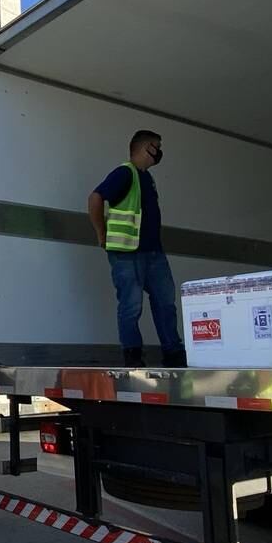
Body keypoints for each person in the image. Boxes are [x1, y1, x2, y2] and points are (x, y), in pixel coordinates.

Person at [87, 129, 187, 368]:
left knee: (165, 303)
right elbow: (95, 198)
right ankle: (132, 356)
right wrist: (101, 233)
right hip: (127, 253)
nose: (159, 152)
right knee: (132, 306)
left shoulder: (146, 178)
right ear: (146, 148)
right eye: (157, 146)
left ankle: (173, 354)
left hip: (153, 252)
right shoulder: (125, 173)